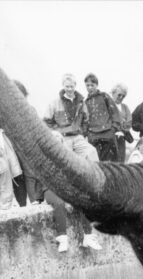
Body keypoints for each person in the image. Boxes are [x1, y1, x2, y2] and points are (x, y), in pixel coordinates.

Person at [43, 74, 101, 252]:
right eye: (67, 86)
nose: (70, 89)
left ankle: (96, 184)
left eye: (72, 86)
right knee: (66, 162)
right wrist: (55, 133)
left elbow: (86, 119)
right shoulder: (55, 103)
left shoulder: (80, 101)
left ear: (75, 86)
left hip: (77, 136)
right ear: (63, 85)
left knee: (91, 152)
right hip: (62, 137)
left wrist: (81, 133)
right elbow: (46, 121)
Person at [84, 73, 120, 162]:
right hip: (93, 135)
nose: (89, 87)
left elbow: (115, 112)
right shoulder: (85, 102)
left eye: (92, 85)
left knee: (110, 161)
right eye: (87, 85)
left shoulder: (104, 96)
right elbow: (85, 120)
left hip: (107, 133)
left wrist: (114, 128)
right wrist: (86, 133)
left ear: (96, 85)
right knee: (95, 161)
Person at [110, 83, 133, 163]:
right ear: (113, 93)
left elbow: (129, 123)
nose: (121, 97)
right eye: (119, 95)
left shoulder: (125, 107)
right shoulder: (107, 105)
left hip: (121, 138)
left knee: (120, 161)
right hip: (109, 137)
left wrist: (119, 126)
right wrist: (120, 124)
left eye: (123, 96)